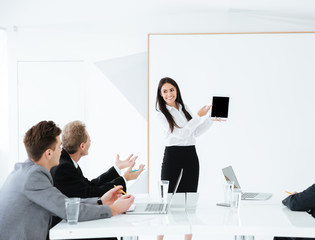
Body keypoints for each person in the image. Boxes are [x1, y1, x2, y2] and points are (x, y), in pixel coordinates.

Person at [0, 121, 134, 240]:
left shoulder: (26, 171)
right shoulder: (33, 177)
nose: (62, 150)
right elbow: (69, 211)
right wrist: (113, 209)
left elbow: (66, 203)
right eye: (59, 147)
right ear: (48, 153)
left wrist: (100, 201)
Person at [156, 77, 219, 240]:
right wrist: (198, 116)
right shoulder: (161, 114)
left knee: (189, 200)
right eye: (165, 91)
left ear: (176, 90)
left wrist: (211, 118)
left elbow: (195, 133)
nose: (169, 94)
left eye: (172, 90)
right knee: (166, 200)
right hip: (172, 155)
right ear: (161, 95)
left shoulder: (184, 108)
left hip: (190, 154)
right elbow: (180, 134)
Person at [51, 120, 145, 198]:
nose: (90, 142)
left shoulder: (67, 161)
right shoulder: (64, 167)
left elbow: (90, 186)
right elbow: (90, 194)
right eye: (89, 140)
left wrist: (117, 168)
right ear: (82, 146)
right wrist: (125, 179)